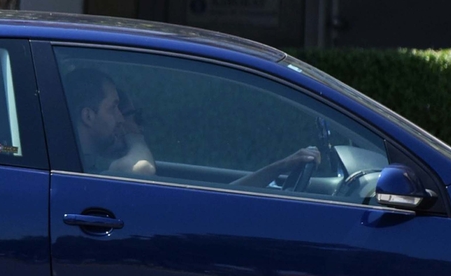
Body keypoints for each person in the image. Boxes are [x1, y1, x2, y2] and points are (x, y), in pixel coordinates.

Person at [64, 67, 319, 187]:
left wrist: (279, 167)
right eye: (114, 108)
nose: (121, 119)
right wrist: (134, 136)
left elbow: (220, 200)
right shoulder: (85, 170)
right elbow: (142, 169)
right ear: (88, 116)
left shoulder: (92, 163)